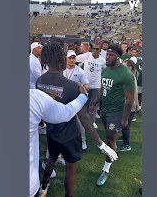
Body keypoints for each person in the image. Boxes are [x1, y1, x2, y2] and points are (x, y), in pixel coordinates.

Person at [36, 42, 118, 197]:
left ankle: (44, 187)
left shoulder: (39, 81)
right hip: (69, 134)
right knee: (70, 168)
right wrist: (102, 145)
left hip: (52, 131)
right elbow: (84, 118)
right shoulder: (72, 86)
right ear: (62, 58)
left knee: (51, 158)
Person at [29, 86, 88, 197]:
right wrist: (83, 96)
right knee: (69, 165)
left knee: (52, 158)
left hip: (54, 132)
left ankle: (44, 186)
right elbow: (66, 113)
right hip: (29, 185)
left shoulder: (37, 89)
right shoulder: (33, 97)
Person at [90, 44, 135, 187]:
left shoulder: (126, 74)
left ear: (118, 56)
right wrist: (95, 103)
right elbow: (102, 88)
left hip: (116, 112)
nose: (107, 57)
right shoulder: (106, 71)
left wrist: (125, 119)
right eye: (107, 54)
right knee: (108, 138)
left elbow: (129, 99)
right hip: (105, 110)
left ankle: (106, 170)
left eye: (110, 55)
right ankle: (111, 154)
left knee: (110, 140)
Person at [63, 50, 90, 150]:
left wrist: (85, 87)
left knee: (80, 121)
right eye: (70, 57)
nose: (71, 60)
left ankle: (83, 140)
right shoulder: (61, 69)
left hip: (75, 100)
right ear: (66, 58)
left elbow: (86, 83)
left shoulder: (80, 71)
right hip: (63, 99)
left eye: (73, 58)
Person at [117, 59, 140, 151]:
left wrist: (136, 105)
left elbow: (134, 93)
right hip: (125, 104)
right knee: (124, 124)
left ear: (130, 67)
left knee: (126, 125)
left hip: (129, 105)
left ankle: (126, 144)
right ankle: (123, 138)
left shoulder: (130, 77)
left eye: (124, 66)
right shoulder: (126, 75)